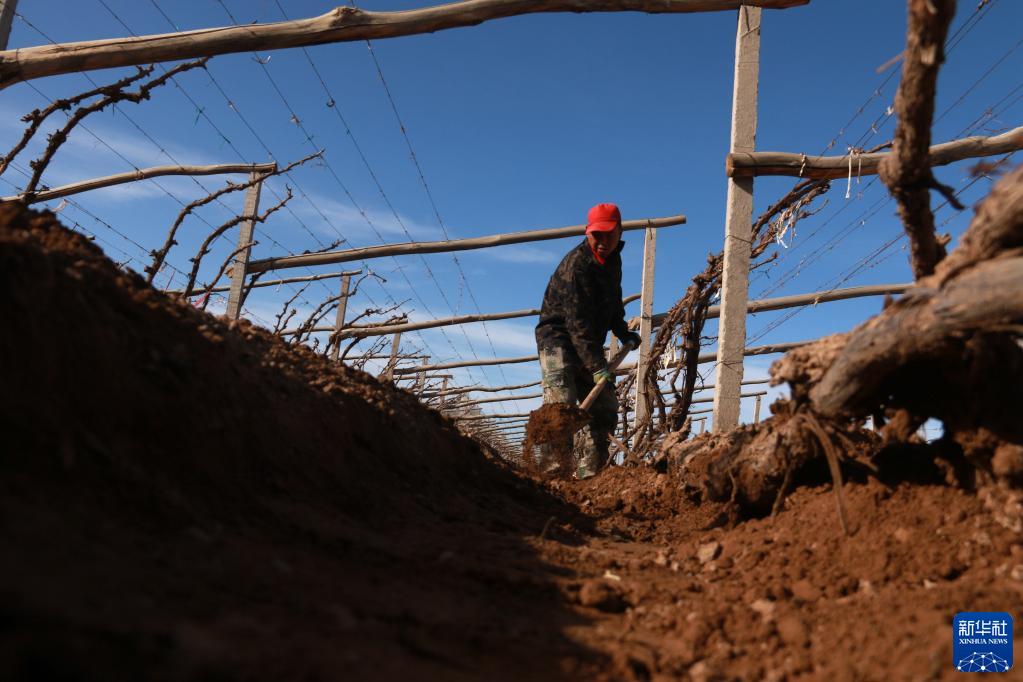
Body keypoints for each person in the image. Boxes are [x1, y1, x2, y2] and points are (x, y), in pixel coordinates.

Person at [534, 203, 641, 478]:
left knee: (605, 407)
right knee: (561, 407)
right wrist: (596, 366)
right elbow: (576, 321)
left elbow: (613, 302)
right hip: (558, 338)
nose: (603, 242)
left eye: (609, 235)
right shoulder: (577, 266)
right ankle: (551, 476)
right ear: (587, 232)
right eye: (597, 235)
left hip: (586, 343)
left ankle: (591, 475)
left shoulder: (613, 261)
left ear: (620, 232)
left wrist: (622, 331)